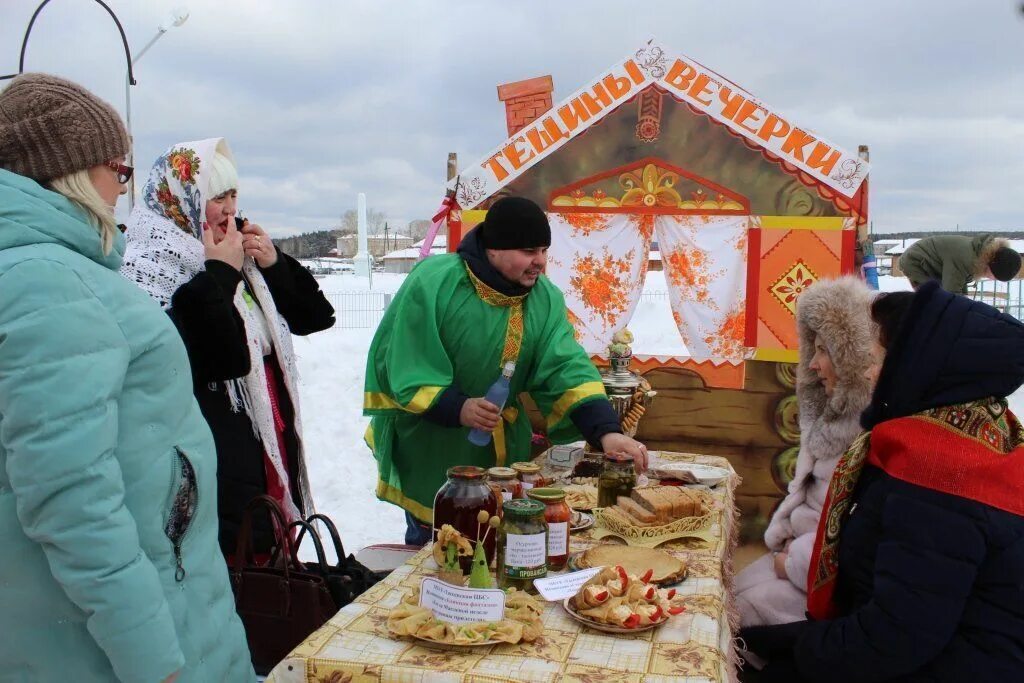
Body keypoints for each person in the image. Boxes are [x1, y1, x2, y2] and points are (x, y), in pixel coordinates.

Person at [0, 74, 253, 681]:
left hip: (152, 600)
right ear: (69, 171)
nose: (125, 185)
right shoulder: (48, 283)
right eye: (118, 165)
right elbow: (71, 500)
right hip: (126, 642)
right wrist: (152, 659)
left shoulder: (61, 271)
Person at [740, 281, 1024, 682]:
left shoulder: (939, 476)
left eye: (880, 358)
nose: (870, 372)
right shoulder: (973, 438)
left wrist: (788, 646)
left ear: (919, 368)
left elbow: (893, 637)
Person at [364, 196, 648, 544]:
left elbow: (566, 367)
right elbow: (405, 359)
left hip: (503, 452)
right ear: (495, 249)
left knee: (499, 540)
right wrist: (458, 407)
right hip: (434, 446)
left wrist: (607, 432)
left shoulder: (544, 299)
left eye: (544, 250)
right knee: (440, 548)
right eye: (529, 251)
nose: (540, 262)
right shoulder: (436, 282)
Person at [121, 138, 335, 556]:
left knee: (270, 539)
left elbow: (316, 316)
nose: (230, 209)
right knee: (235, 553)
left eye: (233, 194)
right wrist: (220, 273)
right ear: (182, 201)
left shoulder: (242, 257)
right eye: (217, 197)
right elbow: (208, 359)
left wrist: (274, 263)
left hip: (266, 432)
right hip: (212, 443)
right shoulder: (150, 267)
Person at [734, 277, 877, 628]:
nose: (812, 364)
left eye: (824, 350)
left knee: (739, 613)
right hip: (798, 554)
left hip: (825, 580)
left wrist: (795, 562)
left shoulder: (867, 435)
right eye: (811, 350)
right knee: (726, 595)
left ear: (852, 357)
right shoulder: (830, 416)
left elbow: (851, 532)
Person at [900, 233, 1021, 293]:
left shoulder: (979, 255)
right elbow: (951, 292)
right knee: (932, 300)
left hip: (935, 266)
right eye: (995, 277)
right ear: (992, 267)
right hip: (917, 262)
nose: (993, 280)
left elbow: (960, 284)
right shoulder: (967, 259)